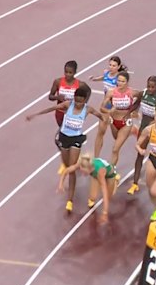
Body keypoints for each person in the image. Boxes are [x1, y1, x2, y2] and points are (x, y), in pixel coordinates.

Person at [25, 84, 103, 212]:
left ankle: (70, 200)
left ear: (85, 100)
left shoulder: (88, 109)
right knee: (67, 166)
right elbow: (51, 108)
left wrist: (108, 120)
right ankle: (74, 168)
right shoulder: (68, 105)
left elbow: (100, 116)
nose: (78, 103)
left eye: (81, 101)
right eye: (76, 100)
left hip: (76, 139)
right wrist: (35, 114)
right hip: (64, 138)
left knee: (71, 169)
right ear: (74, 98)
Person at [126, 75, 156, 195]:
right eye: (148, 86)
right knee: (140, 154)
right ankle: (135, 184)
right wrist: (128, 113)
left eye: (153, 87)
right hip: (144, 128)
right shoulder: (143, 94)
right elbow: (136, 105)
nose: (150, 89)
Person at [58, 153, 118, 223]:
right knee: (92, 197)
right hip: (95, 175)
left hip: (109, 175)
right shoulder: (82, 164)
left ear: (89, 168)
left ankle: (116, 181)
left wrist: (105, 213)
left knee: (108, 196)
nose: (82, 174)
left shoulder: (100, 171)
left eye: (83, 172)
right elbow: (67, 170)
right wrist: (61, 184)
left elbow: (104, 192)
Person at [93, 71, 137, 167]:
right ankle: (133, 131)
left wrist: (135, 110)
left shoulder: (132, 92)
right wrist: (109, 111)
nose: (120, 83)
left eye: (123, 81)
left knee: (115, 149)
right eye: (118, 81)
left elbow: (141, 97)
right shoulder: (111, 92)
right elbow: (101, 108)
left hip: (126, 123)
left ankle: (112, 171)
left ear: (127, 82)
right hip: (113, 122)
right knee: (116, 138)